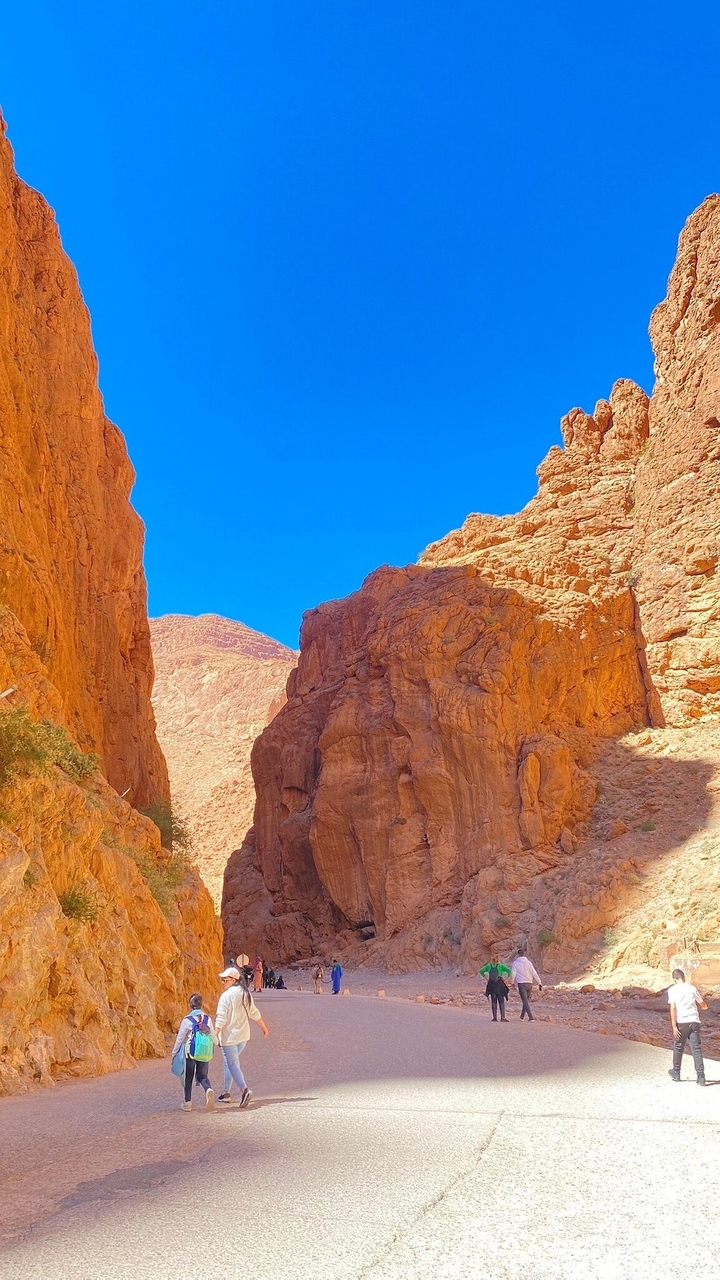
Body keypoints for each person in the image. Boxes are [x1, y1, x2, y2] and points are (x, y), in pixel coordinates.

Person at [215, 966, 270, 1106]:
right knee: (231, 1063)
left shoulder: (226, 996)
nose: (223, 982)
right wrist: (263, 1026)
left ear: (234, 979)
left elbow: (221, 1018)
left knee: (232, 1064)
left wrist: (214, 1035)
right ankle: (225, 1093)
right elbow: (254, 1012)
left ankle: (244, 1090)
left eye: (225, 980)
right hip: (243, 1036)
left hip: (229, 1037)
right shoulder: (245, 993)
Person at [172, 993, 216, 1112]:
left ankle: (187, 1102)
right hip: (204, 1052)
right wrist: (215, 1044)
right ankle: (208, 1089)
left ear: (190, 1005)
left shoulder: (187, 1020)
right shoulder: (207, 1019)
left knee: (188, 1076)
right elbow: (214, 1037)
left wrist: (174, 1053)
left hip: (190, 1053)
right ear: (201, 1004)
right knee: (202, 1076)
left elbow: (180, 1038)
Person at [667, 967, 707, 1086]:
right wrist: (705, 1007)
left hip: (682, 1022)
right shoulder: (692, 988)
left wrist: (674, 1026)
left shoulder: (672, 990)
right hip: (694, 1021)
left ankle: (676, 1072)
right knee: (696, 1049)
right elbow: (702, 1004)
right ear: (684, 977)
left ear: (674, 979)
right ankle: (701, 1078)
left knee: (679, 1047)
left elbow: (673, 1008)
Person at [510, 947, 542, 1021]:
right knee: (526, 1000)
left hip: (521, 983)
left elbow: (513, 973)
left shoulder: (515, 963)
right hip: (529, 983)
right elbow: (534, 973)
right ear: (523, 954)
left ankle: (531, 1017)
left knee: (524, 1001)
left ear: (518, 954)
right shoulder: (529, 963)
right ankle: (522, 1016)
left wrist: (512, 982)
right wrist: (539, 982)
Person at [479, 956, 512, 1022]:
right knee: (501, 1001)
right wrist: (505, 978)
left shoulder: (489, 966)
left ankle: (494, 1018)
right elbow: (509, 971)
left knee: (494, 1001)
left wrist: (486, 978)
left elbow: (481, 971)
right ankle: (503, 1017)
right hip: (499, 984)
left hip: (491, 985)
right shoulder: (500, 966)